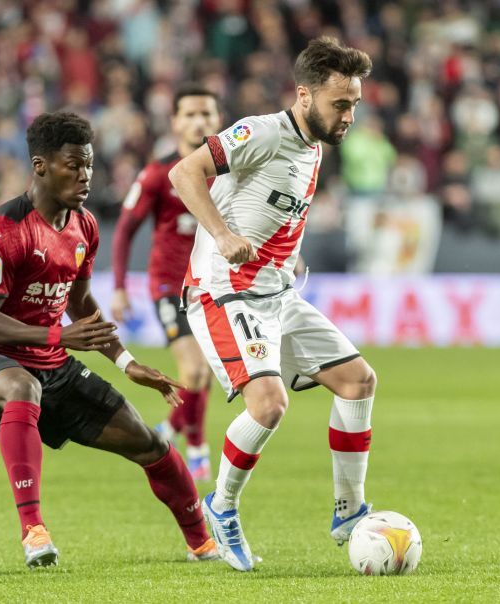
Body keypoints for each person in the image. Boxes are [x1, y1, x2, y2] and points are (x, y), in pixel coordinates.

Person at [0, 111, 217, 568]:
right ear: (40, 166)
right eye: (73, 165)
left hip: (53, 360)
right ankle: (34, 531)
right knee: (21, 388)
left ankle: (205, 544)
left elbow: (79, 301)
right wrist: (58, 334)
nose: (85, 175)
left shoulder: (84, 226)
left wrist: (125, 360)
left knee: (148, 443)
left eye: (89, 165)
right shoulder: (3, 230)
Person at [169, 37, 378, 572]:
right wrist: (220, 234)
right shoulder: (260, 132)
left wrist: (286, 257)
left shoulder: (313, 148)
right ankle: (222, 505)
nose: (349, 114)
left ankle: (348, 511)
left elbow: (272, 209)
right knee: (269, 405)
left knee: (358, 381)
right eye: (340, 104)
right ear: (304, 96)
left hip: (277, 291)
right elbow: (183, 174)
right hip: (225, 291)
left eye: (354, 103)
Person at [110, 84, 222, 481]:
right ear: (175, 122)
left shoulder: (230, 172)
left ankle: (169, 428)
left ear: (218, 120)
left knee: (205, 373)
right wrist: (120, 286)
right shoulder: (158, 173)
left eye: (206, 114)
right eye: (190, 114)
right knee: (193, 371)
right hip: (170, 286)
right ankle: (197, 451)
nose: (199, 122)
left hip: (214, 286)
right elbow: (124, 230)